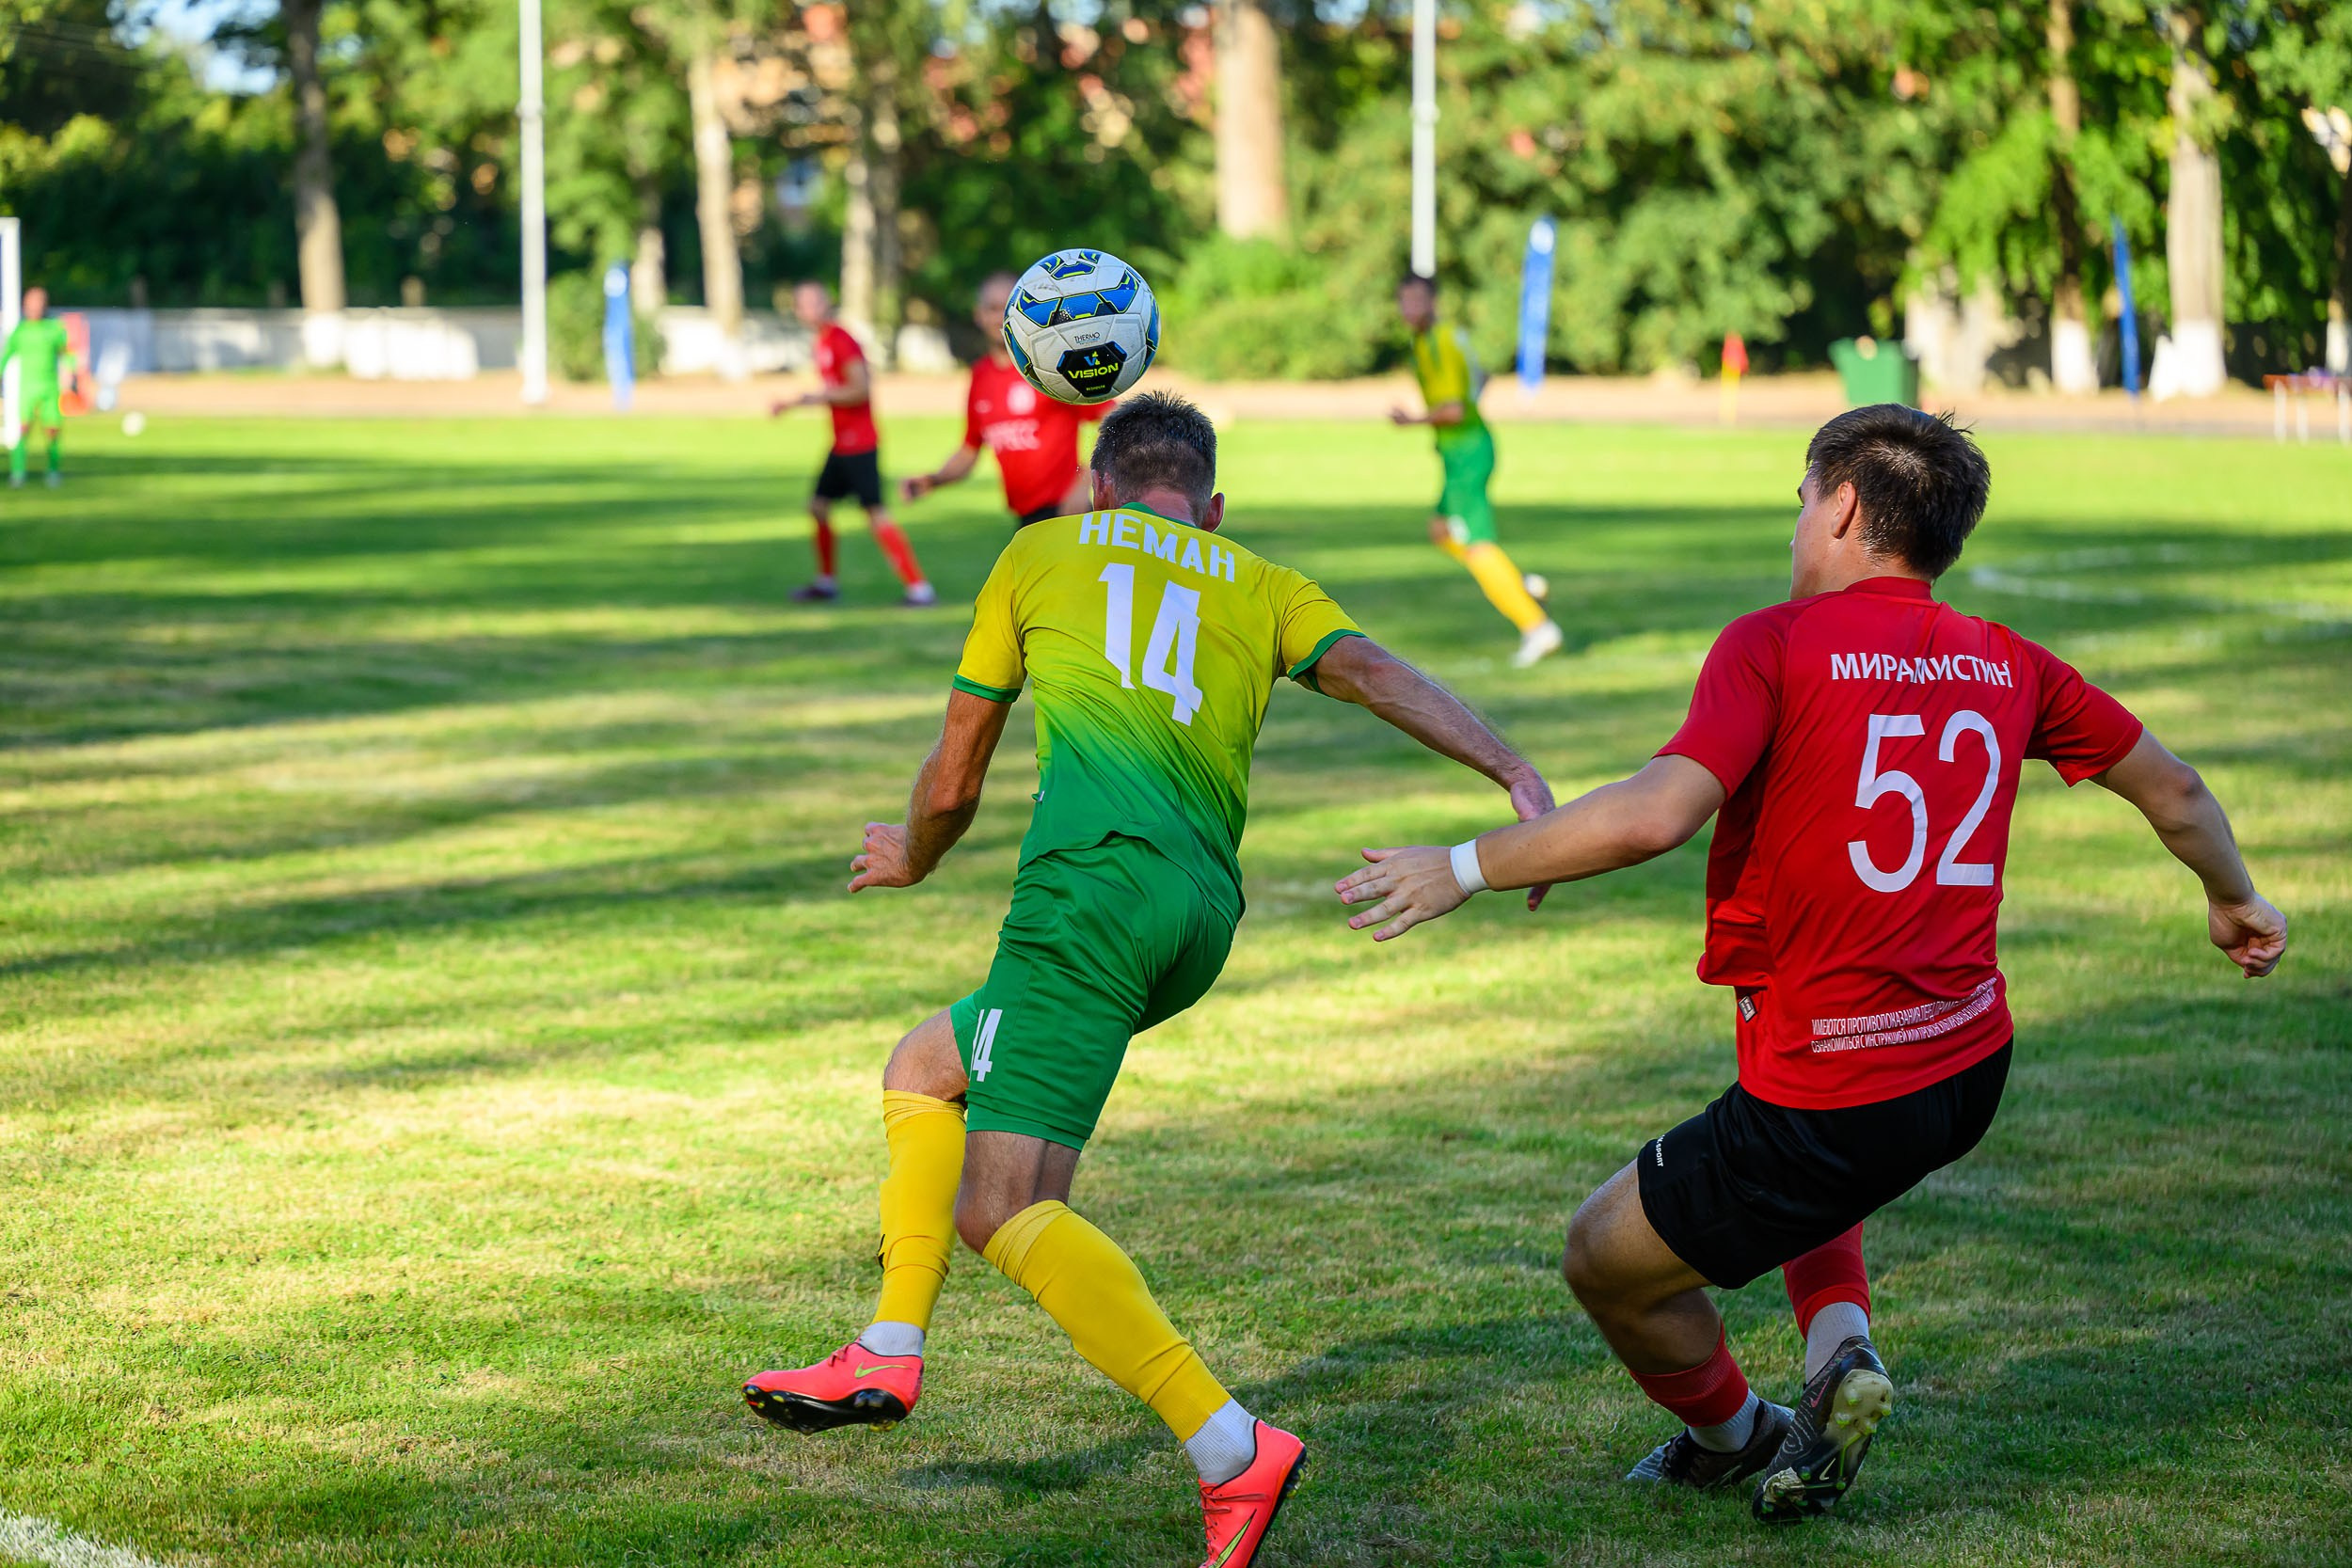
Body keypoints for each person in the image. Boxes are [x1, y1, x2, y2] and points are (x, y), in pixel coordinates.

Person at [1332, 404, 2286, 1522]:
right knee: (1821, 1146)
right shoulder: (2011, 660)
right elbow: (2172, 787)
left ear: (1840, 505)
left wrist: (1465, 864)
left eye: (1799, 499)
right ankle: (1841, 1352)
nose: (1794, 524)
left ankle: (1734, 1434)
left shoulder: (1773, 643)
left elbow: (1654, 813)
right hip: (1967, 1067)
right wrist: (2233, 896)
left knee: (1603, 1254)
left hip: (1835, 1086)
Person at [744, 392, 1556, 1568]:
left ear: (1094, 488)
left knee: (1004, 1202)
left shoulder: (1041, 550)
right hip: (1195, 917)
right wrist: (1512, 766)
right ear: (1211, 507)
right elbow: (1377, 673)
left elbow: (955, 772)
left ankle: (1229, 1445)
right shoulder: (1258, 580)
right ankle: (887, 1339)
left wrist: (913, 852)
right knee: (927, 1066)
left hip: (1086, 898)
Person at [1390, 274, 1562, 668]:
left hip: (1467, 454)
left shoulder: (1439, 341)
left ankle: (1538, 627)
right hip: (1460, 452)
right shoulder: (1431, 338)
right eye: (1404, 300)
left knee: (1477, 543)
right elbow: (1481, 378)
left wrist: (1413, 421)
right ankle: (1516, 586)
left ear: (1433, 302)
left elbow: (1453, 409)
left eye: (1417, 300)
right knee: (1442, 532)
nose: (1409, 308)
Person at [899, 270, 1107, 527]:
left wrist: (1083, 483)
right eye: (992, 308)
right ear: (979, 315)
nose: (999, 316)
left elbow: (1112, 420)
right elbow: (970, 449)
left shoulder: (1051, 364)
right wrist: (933, 480)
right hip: (1025, 517)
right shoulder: (980, 376)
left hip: (1068, 512)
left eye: (1008, 307)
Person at [771, 280, 934, 606]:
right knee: (818, 507)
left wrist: (815, 398)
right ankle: (826, 582)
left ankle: (919, 588)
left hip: (860, 444)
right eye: (800, 305)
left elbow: (860, 388)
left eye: (810, 303)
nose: (804, 311)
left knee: (876, 514)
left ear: (825, 304)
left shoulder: (841, 340)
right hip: (841, 445)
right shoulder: (823, 341)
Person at [3, 286, 77, 490]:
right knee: (22, 429)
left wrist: (70, 371)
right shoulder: (21, 331)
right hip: (26, 388)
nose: (34, 307)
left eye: (38, 302)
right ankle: (18, 473)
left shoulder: (54, 328)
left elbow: (67, 352)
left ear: (45, 305)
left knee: (52, 430)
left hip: (49, 387)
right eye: (30, 303)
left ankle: (53, 471)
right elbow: (6, 355)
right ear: (25, 305)